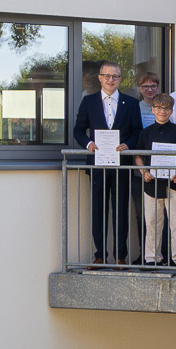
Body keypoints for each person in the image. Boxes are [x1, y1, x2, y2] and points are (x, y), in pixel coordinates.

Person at [72, 62, 141, 265]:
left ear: (120, 79)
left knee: (121, 211)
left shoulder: (131, 103)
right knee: (98, 211)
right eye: (107, 76)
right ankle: (100, 255)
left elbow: (137, 131)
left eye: (115, 76)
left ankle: (121, 256)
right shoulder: (89, 102)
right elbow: (78, 130)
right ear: (100, 78)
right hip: (98, 164)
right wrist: (88, 143)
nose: (111, 80)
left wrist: (128, 144)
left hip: (122, 164)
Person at [137, 89, 176, 265]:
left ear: (171, 111)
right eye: (158, 108)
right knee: (152, 223)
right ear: (152, 110)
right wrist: (143, 171)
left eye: (166, 108)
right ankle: (152, 258)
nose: (162, 111)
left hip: (173, 183)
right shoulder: (145, 133)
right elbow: (138, 155)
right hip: (152, 183)